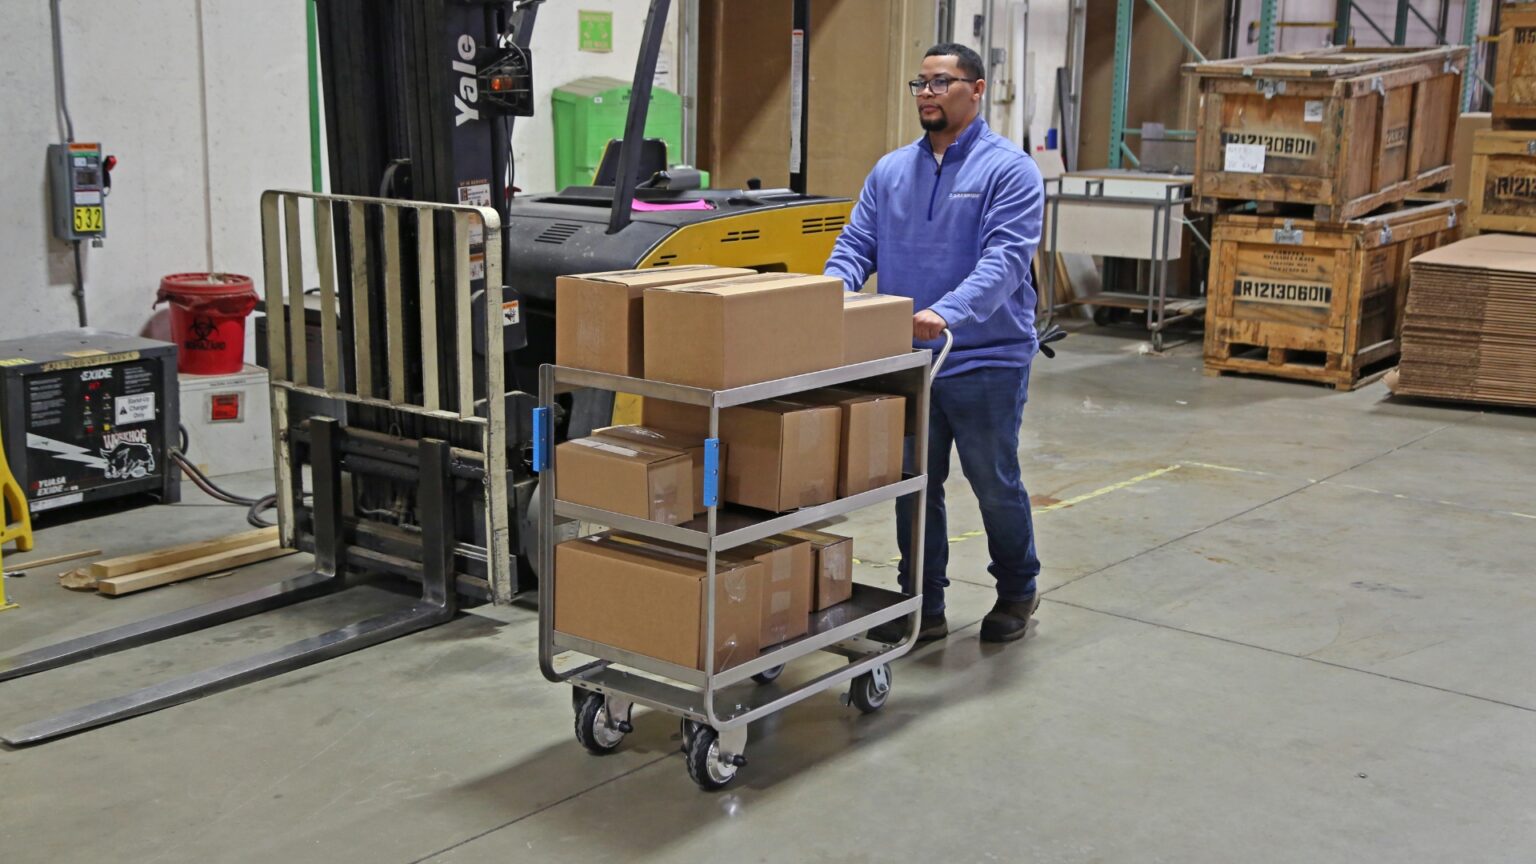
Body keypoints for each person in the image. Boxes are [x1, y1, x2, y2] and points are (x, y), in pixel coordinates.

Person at [824, 42, 1045, 644]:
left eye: (940, 82)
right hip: (907, 359)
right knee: (912, 483)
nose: (926, 93)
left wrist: (946, 314)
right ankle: (923, 599)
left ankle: (1018, 589)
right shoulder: (892, 169)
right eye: (919, 84)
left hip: (984, 357)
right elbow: (855, 245)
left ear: (976, 90)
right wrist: (826, 295)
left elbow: (1004, 261)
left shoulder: (1010, 170)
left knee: (992, 479)